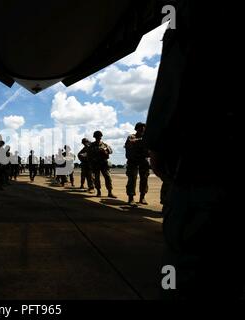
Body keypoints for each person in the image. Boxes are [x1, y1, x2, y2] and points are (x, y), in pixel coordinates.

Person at [145, 1, 244, 299]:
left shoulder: (194, 10)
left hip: (210, 158)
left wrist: (158, 141)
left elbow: (177, 74)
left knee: (188, 267)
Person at [124, 122, 150, 205]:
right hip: (133, 161)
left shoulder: (147, 138)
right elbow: (131, 142)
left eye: (144, 128)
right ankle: (131, 198)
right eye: (140, 128)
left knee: (144, 179)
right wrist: (141, 140)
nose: (142, 129)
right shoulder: (132, 137)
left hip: (143, 160)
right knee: (132, 179)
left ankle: (142, 197)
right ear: (136, 129)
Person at [88, 131, 116, 198]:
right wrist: (91, 163)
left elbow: (111, 151)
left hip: (104, 164)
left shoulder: (105, 145)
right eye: (97, 136)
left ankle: (110, 192)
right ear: (94, 137)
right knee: (96, 179)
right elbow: (89, 155)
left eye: (100, 136)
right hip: (96, 164)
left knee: (108, 177)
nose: (99, 137)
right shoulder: (91, 145)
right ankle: (98, 192)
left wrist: (105, 151)